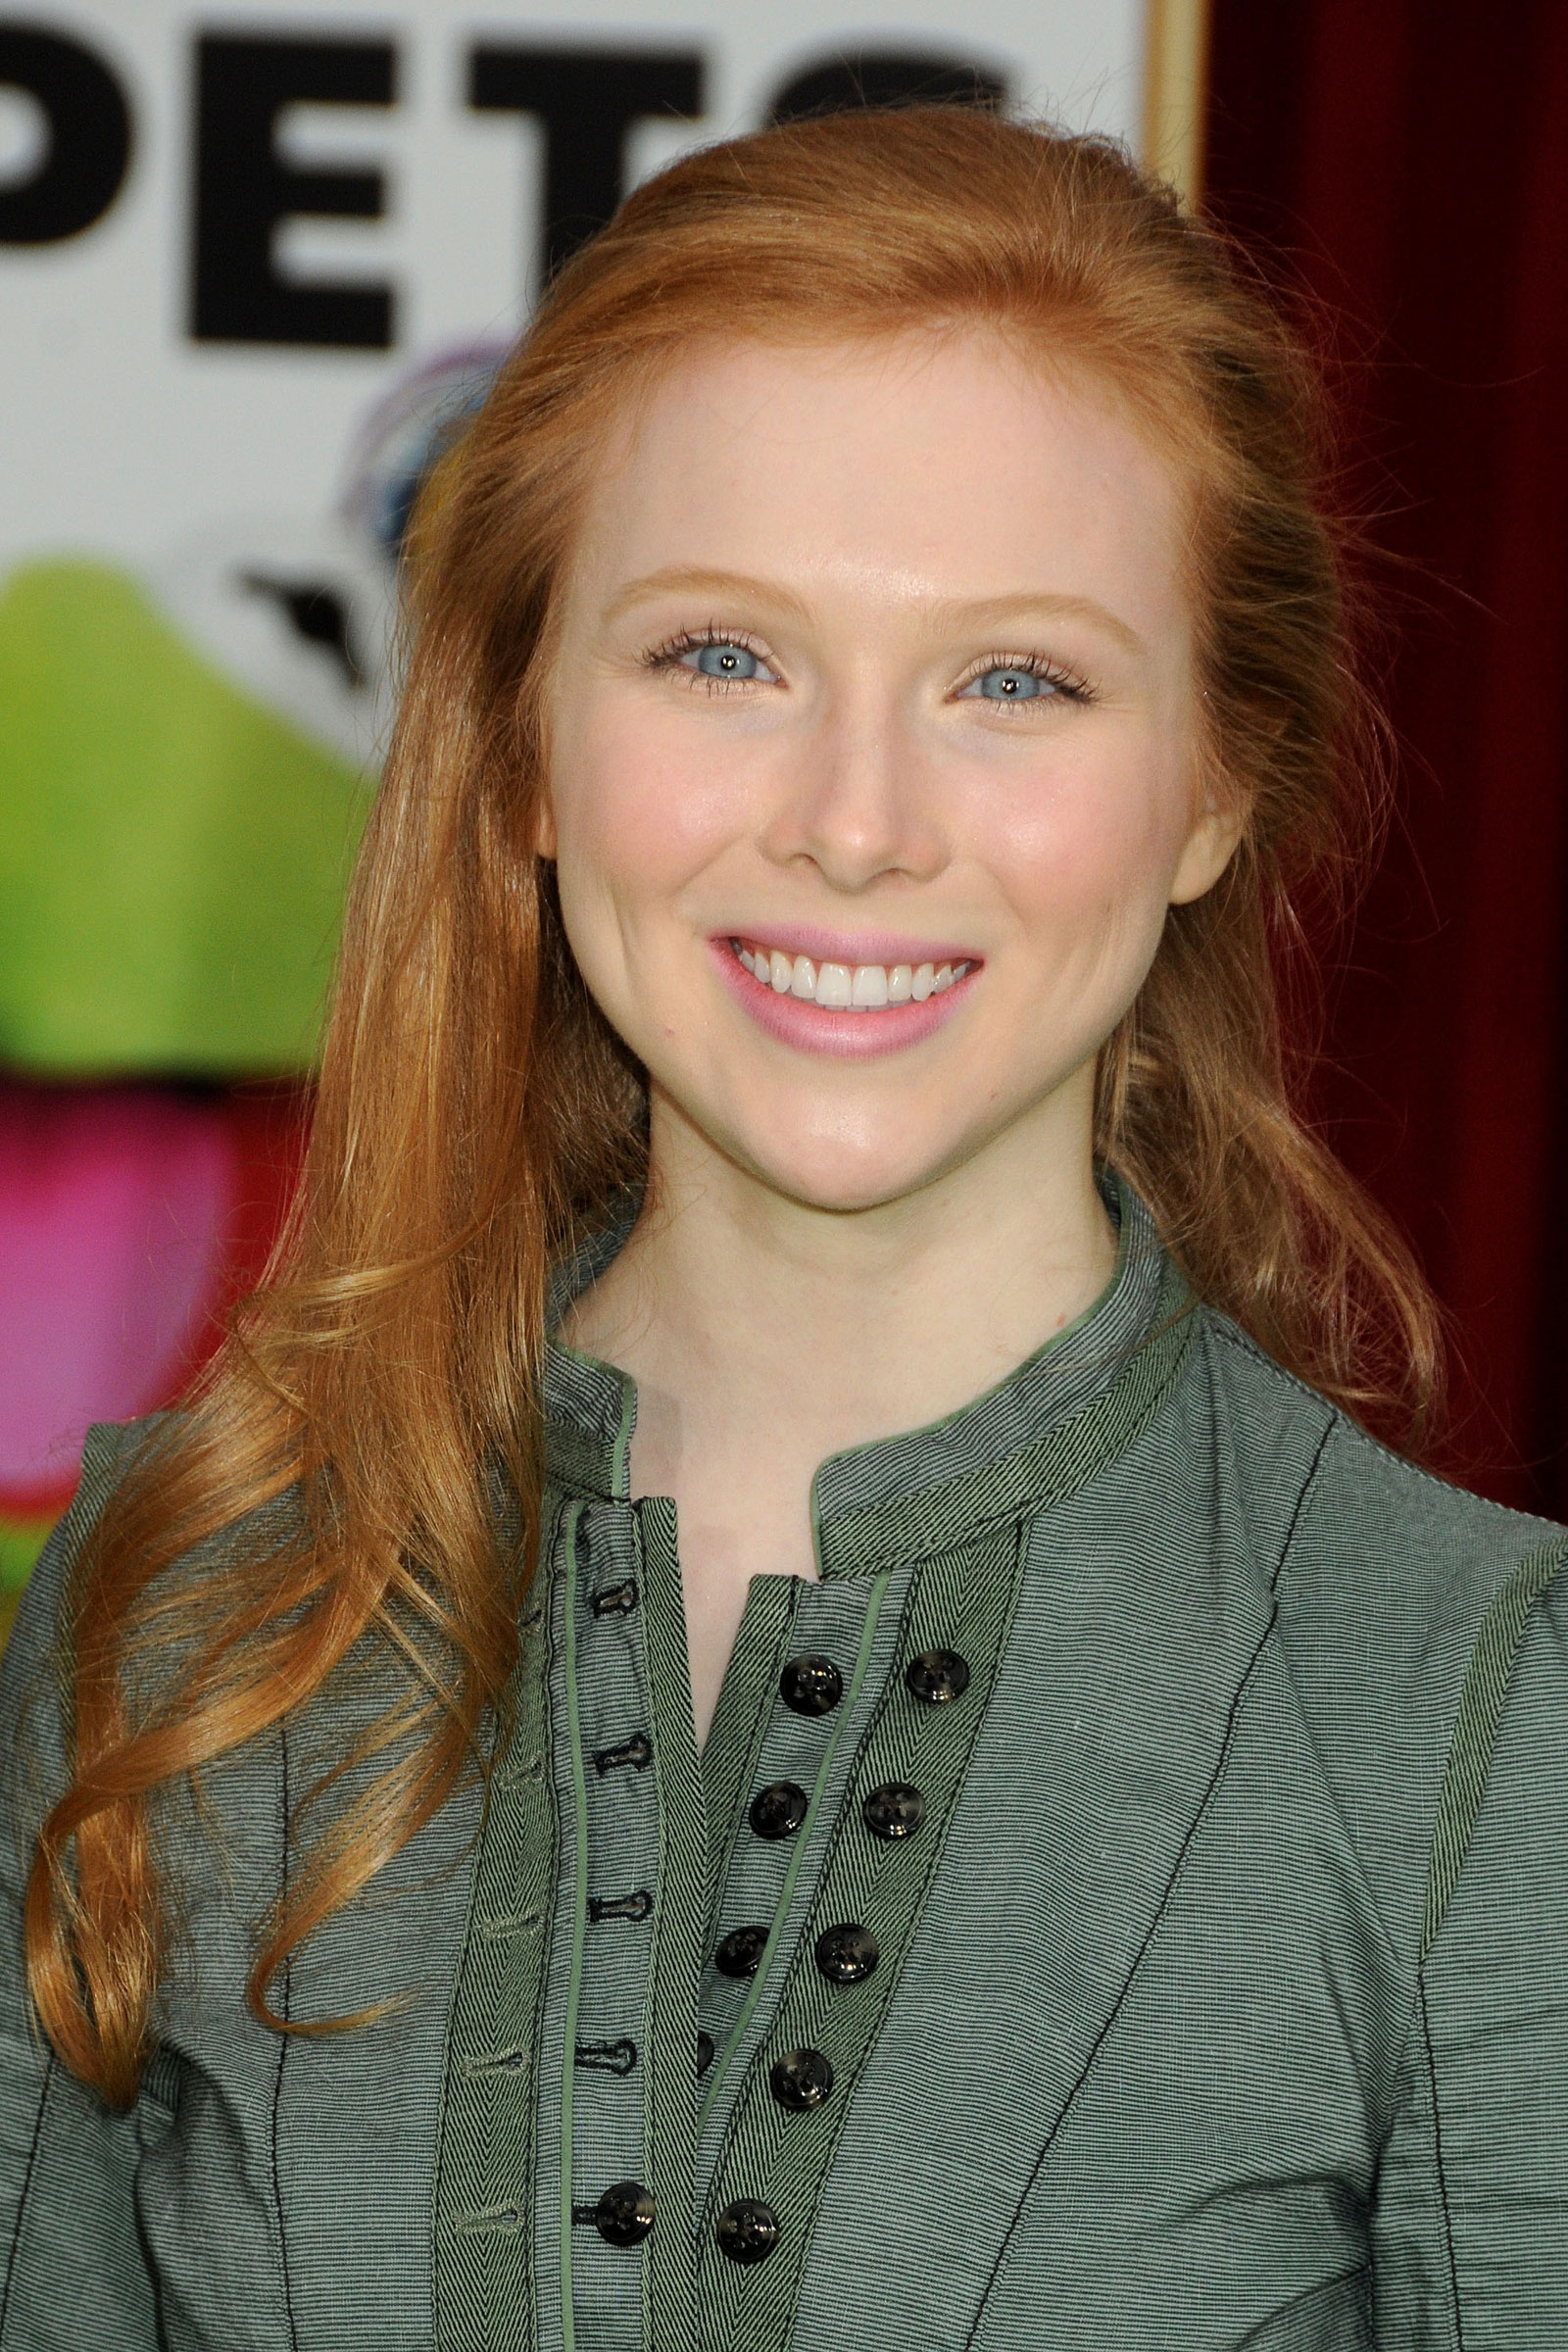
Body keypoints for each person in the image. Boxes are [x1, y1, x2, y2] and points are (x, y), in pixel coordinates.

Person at [3, 105, 1565, 2352]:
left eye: (1012, 679)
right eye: (722, 655)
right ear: (523, 741)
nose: (853, 821)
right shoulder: (182, 1615)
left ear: (1212, 781)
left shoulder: (1470, 1711)